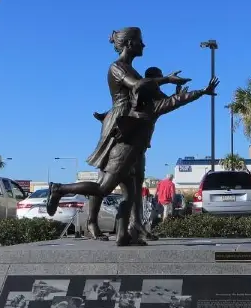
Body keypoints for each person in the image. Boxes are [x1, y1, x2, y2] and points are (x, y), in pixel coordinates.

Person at [45, 27, 192, 246]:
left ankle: (130, 229)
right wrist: (166, 80)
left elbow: (148, 96)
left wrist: (175, 95)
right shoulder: (116, 67)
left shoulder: (132, 69)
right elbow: (137, 87)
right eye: (140, 41)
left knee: (132, 184)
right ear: (129, 44)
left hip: (133, 126)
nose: (144, 45)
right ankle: (76, 204)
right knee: (106, 181)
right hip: (121, 125)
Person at [89, 66, 218, 242]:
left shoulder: (149, 96)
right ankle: (89, 218)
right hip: (121, 142)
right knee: (104, 185)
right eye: (158, 83)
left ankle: (134, 227)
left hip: (138, 147)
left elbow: (172, 101)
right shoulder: (139, 90)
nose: (159, 88)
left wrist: (180, 94)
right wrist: (200, 91)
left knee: (133, 186)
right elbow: (169, 102)